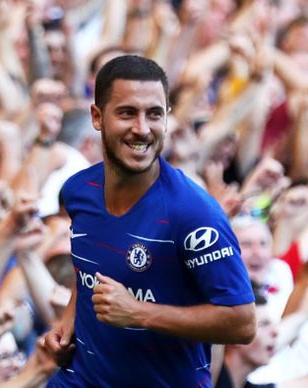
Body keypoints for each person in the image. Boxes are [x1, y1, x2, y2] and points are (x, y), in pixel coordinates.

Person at [41, 55, 256, 387]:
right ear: (97, 117)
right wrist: (69, 320)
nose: (142, 129)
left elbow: (241, 323)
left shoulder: (195, 214)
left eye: (154, 114)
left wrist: (139, 312)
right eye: (127, 113)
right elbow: (90, 271)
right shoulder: (78, 192)